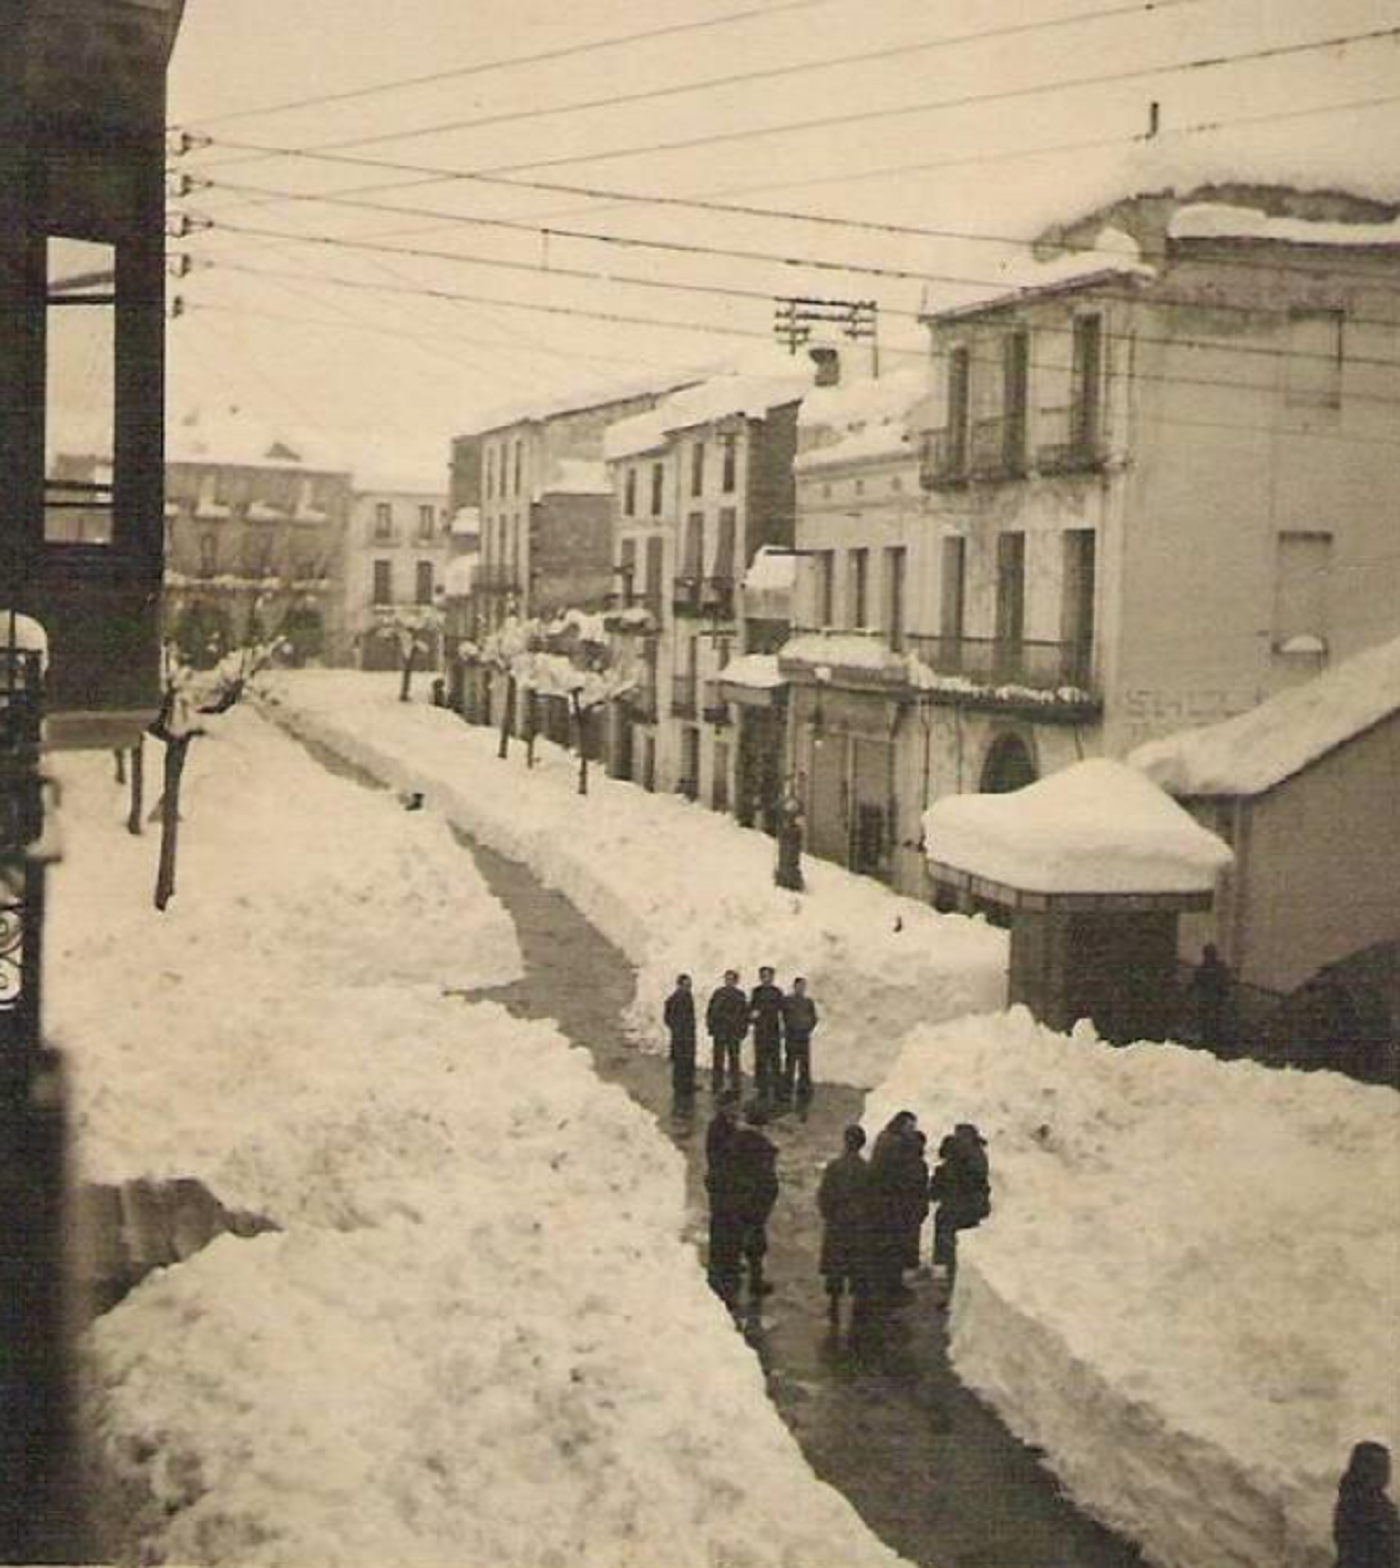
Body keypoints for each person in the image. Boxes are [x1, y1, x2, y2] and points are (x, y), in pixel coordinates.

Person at [867, 1111, 928, 1306]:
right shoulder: (895, 1144)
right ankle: (889, 1288)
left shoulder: (886, 1139)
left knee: (886, 1247)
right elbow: (899, 1176)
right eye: (910, 1126)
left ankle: (885, 1285)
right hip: (891, 1206)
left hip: (884, 1204)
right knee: (892, 1248)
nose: (912, 1130)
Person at [928, 1122, 991, 1303]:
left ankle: (949, 1294)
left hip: (953, 1211)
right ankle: (957, 1295)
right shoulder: (978, 1156)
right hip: (970, 1211)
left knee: (949, 1253)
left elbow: (941, 1188)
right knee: (960, 1252)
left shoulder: (957, 1158)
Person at [817, 1125, 871, 1326]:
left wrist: (829, 1214)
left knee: (836, 1263)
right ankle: (858, 1301)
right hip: (859, 1223)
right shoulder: (867, 1169)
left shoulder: (834, 1167)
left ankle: (833, 1302)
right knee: (857, 1262)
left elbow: (824, 1195)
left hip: (838, 1222)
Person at [727, 1102, 780, 1304]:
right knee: (756, 1243)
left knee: (736, 1238)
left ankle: (732, 1276)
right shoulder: (763, 1148)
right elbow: (767, 1181)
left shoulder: (735, 1141)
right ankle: (755, 1282)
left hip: (737, 1199)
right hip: (755, 1203)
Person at [1334, 1441, 1399, 1568]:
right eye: (1380, 1467)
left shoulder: (1376, 1501)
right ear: (1364, 1469)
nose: (1387, 1473)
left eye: (1387, 1466)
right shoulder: (1357, 1504)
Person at [704, 1092, 743, 1303]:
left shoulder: (729, 1126)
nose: (736, 1110)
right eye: (733, 1106)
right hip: (722, 1184)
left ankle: (727, 1261)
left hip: (728, 1185)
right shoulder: (718, 1128)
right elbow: (718, 1157)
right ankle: (720, 1264)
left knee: (729, 1223)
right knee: (721, 1222)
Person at [705, 970, 749, 1095]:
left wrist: (742, 1030)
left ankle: (735, 1085)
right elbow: (711, 1011)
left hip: (733, 1033)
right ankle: (717, 1083)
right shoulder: (718, 993)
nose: (728, 981)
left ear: (736, 981)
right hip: (720, 1032)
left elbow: (743, 1014)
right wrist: (711, 1026)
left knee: (734, 1059)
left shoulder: (740, 995)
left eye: (731, 979)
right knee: (718, 1059)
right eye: (727, 979)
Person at [749, 966, 785, 1105]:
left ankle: (778, 1091)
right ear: (760, 977)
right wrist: (752, 1015)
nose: (766, 978)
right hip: (760, 1032)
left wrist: (782, 1028)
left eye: (768, 976)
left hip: (773, 1031)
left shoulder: (777, 992)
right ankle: (762, 1091)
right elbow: (751, 1009)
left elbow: (782, 1012)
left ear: (772, 977)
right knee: (761, 1061)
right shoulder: (756, 992)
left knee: (775, 1061)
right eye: (763, 976)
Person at [781, 977, 819, 1104]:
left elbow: (814, 1018)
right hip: (791, 1036)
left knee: (804, 1065)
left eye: (803, 986)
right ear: (794, 986)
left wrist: (807, 1028)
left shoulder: (808, 1002)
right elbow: (783, 1016)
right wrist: (787, 1028)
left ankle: (804, 1090)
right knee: (790, 1064)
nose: (801, 988)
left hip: (803, 1037)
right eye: (799, 986)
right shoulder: (787, 1000)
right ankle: (787, 1090)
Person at [1188, 943, 1232, 1049]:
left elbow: (1225, 984)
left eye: (1210, 954)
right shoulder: (1205, 968)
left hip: (1214, 1001)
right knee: (1208, 1022)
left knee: (1213, 1022)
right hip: (1208, 1001)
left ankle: (1212, 1042)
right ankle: (1209, 1041)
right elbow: (1195, 983)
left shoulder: (1217, 968)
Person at [663, 973, 697, 1104]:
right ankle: (679, 1087)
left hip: (688, 1034)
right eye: (686, 985)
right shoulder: (674, 998)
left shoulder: (688, 996)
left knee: (688, 1059)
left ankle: (688, 1085)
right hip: (680, 1035)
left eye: (689, 985)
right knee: (680, 1060)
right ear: (679, 985)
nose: (688, 987)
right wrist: (677, 1029)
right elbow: (667, 1018)